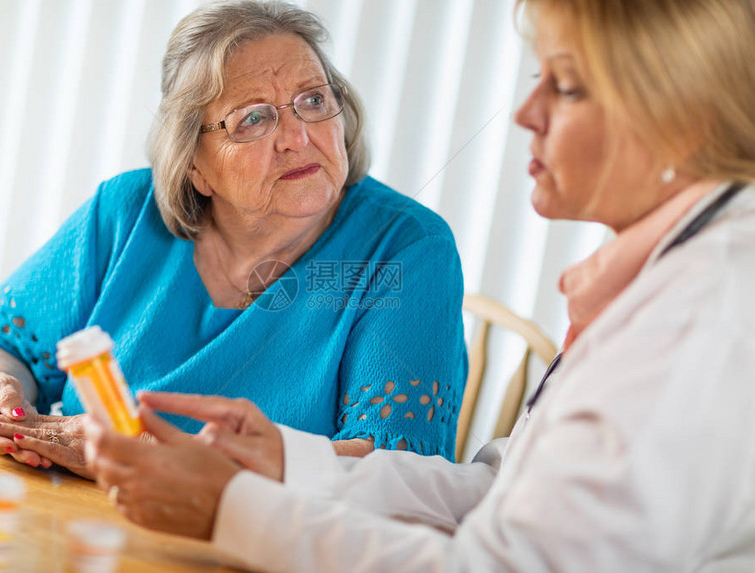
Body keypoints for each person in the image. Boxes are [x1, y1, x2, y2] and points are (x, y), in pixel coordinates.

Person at [82, 0, 755, 570]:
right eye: (254, 117)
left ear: (681, 117)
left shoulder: (702, 314)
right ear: (193, 164)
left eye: (568, 87)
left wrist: (232, 509)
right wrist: (287, 461)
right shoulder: (666, 281)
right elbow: (502, 491)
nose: (525, 112)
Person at [0, 0, 467, 477]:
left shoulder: (409, 250)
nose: (298, 137)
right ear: (195, 166)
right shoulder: (124, 213)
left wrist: (148, 455)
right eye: (254, 119)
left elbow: (396, 473)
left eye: (312, 100)